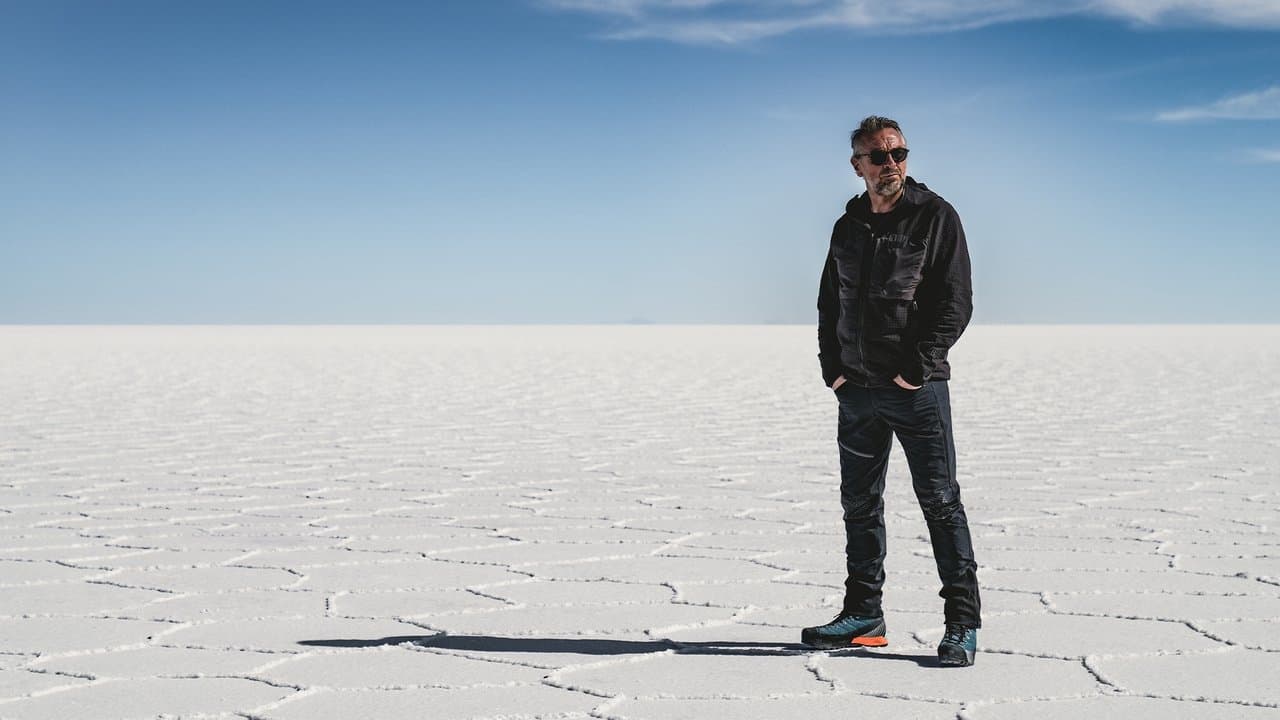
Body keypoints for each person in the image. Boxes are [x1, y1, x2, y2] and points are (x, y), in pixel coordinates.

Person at [801, 115, 981, 667]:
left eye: (898, 153)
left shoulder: (935, 216)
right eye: (878, 157)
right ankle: (864, 616)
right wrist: (833, 369)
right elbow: (829, 303)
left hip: (914, 391)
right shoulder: (848, 225)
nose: (891, 164)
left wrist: (916, 369)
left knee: (940, 502)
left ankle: (962, 625)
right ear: (857, 165)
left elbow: (956, 302)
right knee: (859, 503)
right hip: (856, 391)